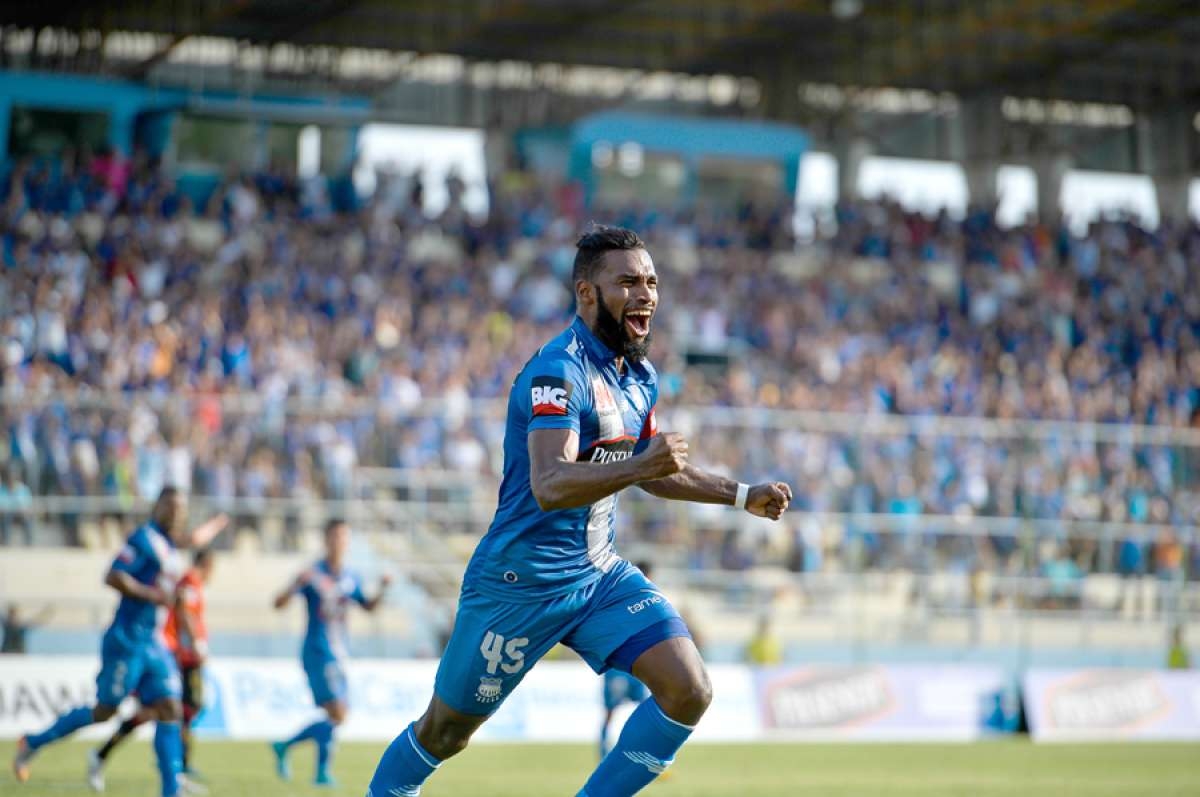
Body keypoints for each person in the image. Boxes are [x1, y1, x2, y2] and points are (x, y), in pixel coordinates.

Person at [366, 226, 792, 797]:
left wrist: (741, 495)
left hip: (598, 576)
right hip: (520, 584)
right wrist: (643, 466)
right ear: (588, 293)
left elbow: (657, 469)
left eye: (651, 283)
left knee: (689, 688)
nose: (645, 295)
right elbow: (550, 482)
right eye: (628, 282)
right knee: (445, 732)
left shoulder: (639, 375)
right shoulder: (557, 371)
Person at [11, 487, 227, 797]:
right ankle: (33, 741)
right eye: (172, 507)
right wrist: (156, 596)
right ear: (158, 508)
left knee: (170, 707)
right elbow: (113, 576)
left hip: (154, 643)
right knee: (105, 711)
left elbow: (192, 540)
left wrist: (217, 524)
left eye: (181, 510)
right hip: (127, 640)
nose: (177, 514)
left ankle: (171, 789)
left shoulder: (168, 545)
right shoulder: (143, 540)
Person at [270, 519, 391, 787]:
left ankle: (308, 764)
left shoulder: (350, 576)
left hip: (339, 652)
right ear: (326, 540)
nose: (339, 541)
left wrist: (382, 588)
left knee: (336, 714)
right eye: (335, 536)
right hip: (317, 650)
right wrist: (293, 585)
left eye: (344, 537)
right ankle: (303, 759)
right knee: (338, 712)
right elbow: (277, 604)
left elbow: (367, 607)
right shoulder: (312, 574)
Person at [88, 547, 217, 791]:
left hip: (172, 653)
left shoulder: (192, 583)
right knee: (176, 709)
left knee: (166, 711)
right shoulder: (190, 581)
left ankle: (174, 770)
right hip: (171, 654)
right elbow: (184, 615)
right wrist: (196, 645)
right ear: (208, 564)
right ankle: (175, 769)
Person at [599, 561, 654, 760]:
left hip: (638, 665)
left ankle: (644, 756)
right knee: (611, 711)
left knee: (645, 710)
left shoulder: (647, 596)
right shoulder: (621, 594)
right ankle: (604, 756)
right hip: (618, 665)